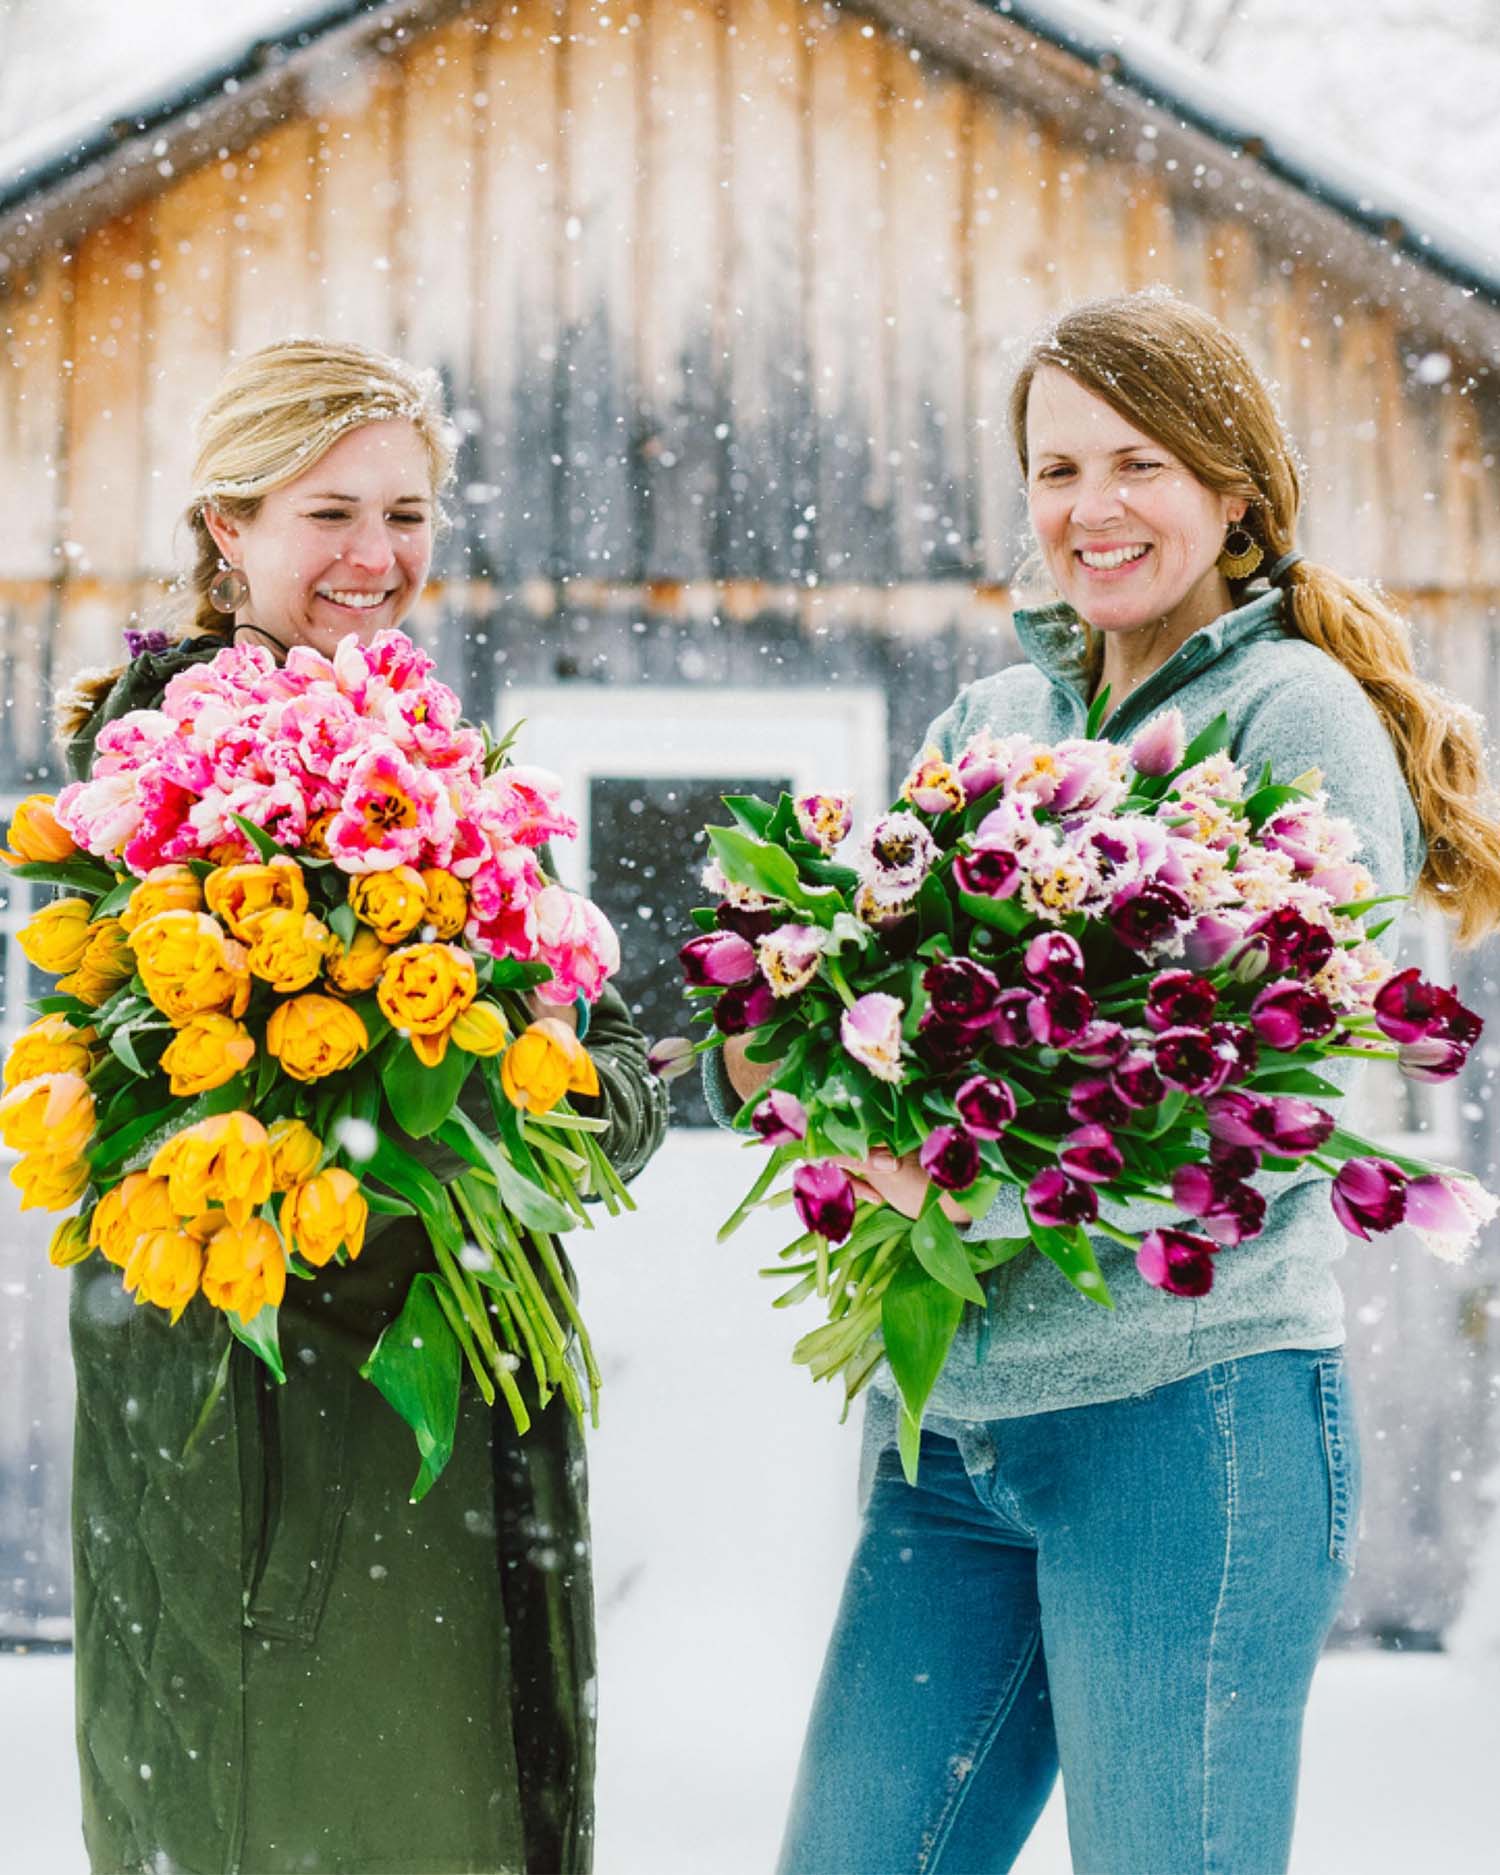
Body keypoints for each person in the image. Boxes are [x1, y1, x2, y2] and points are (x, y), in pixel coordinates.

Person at [718, 292, 1500, 1874]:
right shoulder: (996, 719)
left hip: (1187, 1424)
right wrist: (794, 1066)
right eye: (1057, 468)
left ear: (1233, 493)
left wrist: (966, 1184)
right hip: (955, 1440)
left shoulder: (1295, 715)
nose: (1092, 508)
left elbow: (1267, 1105)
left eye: (1138, 463)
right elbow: (877, 1001)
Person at [55, 338, 667, 1875]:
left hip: (416, 1438)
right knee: (313, 1817)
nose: (376, 557)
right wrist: (592, 1091)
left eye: (406, 515)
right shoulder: (181, 790)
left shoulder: (407, 759)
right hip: (287, 1438)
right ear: (227, 527)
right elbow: (430, 1116)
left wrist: (586, 1080)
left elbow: (526, 1078)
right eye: (330, 514)